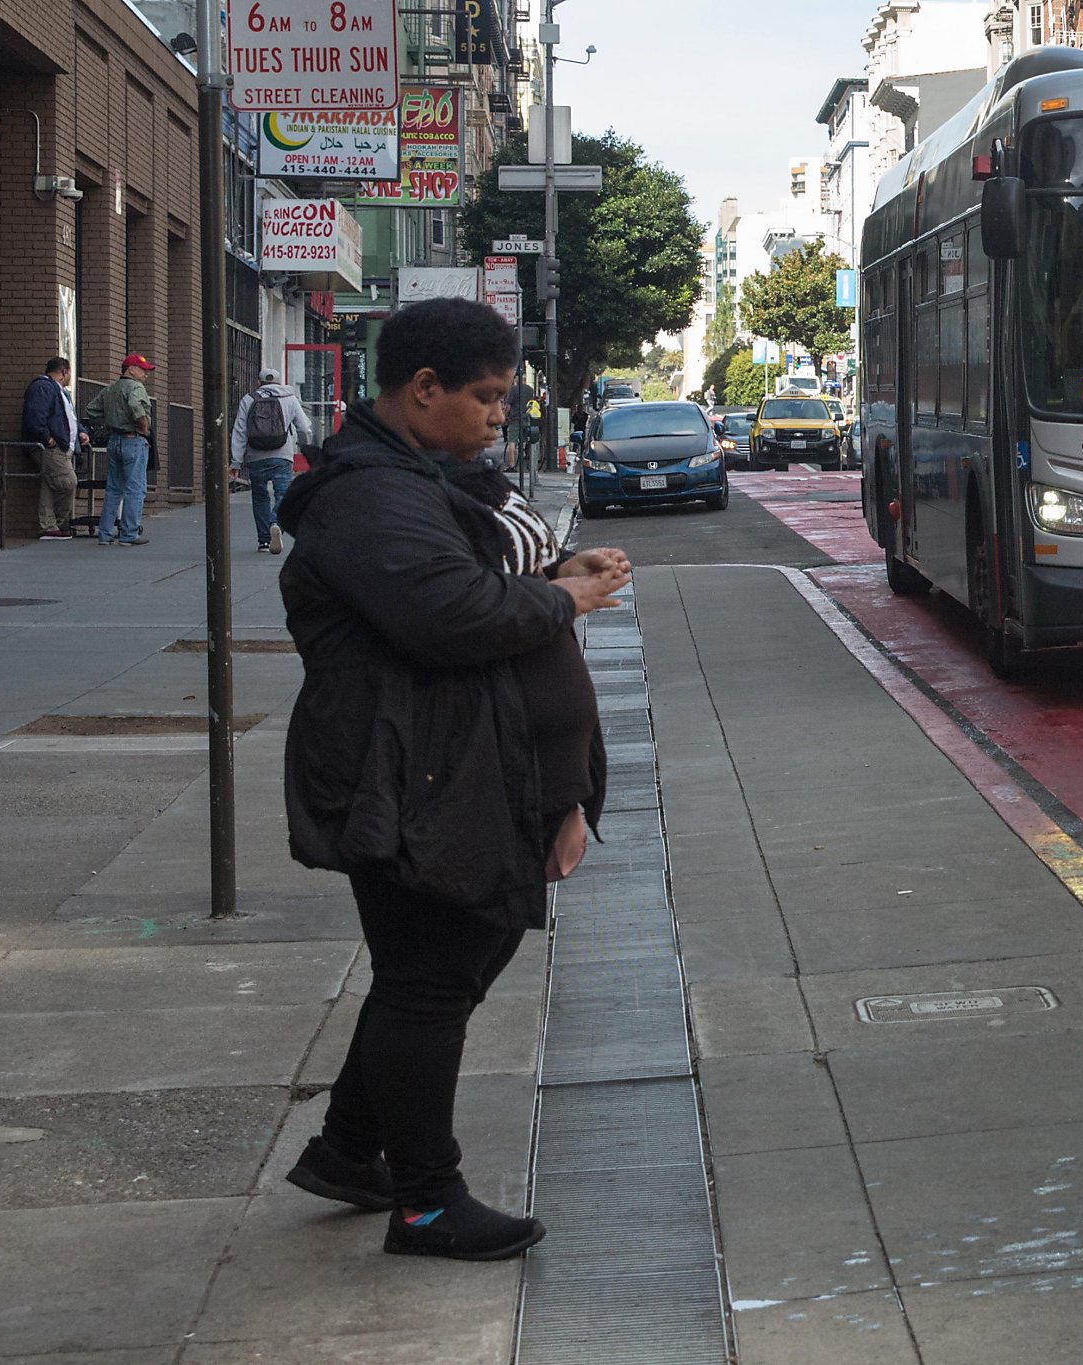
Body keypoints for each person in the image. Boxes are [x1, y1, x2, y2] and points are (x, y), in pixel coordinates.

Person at [275, 295, 630, 1261]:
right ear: (421, 389)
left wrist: (558, 565)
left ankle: (351, 1148)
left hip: (467, 769)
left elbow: (492, 577)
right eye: (485, 395)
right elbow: (451, 613)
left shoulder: (444, 471)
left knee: (443, 974)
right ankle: (426, 1201)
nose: (500, 414)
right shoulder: (368, 494)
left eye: (507, 395)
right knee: (430, 981)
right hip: (413, 778)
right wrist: (562, 594)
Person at [230, 367, 313, 554]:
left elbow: (240, 431)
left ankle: (264, 541)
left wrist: (235, 461)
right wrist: (305, 448)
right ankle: (276, 522)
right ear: (279, 382)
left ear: (258, 382)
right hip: (282, 455)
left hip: (255, 455)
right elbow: (304, 428)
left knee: (260, 496)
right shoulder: (289, 398)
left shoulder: (249, 399)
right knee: (283, 493)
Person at [86, 353, 156, 546]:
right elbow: (135, 405)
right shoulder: (136, 387)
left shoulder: (110, 389)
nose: (145, 375)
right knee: (136, 489)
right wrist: (142, 425)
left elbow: (91, 410)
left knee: (114, 489)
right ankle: (129, 534)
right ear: (131, 369)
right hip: (133, 440)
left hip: (114, 440)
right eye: (143, 370)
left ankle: (105, 534)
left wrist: (110, 421)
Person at [21, 357, 87, 540]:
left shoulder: (62, 392)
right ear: (64, 371)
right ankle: (60, 522)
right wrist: (47, 437)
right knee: (67, 481)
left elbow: (69, 418)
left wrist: (80, 432)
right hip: (50, 447)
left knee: (49, 485)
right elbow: (35, 416)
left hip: (62, 446)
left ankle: (49, 526)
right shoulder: (43, 387)